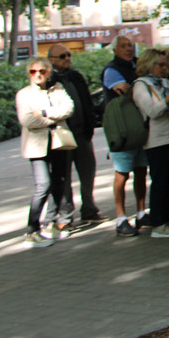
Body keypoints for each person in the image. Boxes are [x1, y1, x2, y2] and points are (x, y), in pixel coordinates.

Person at [15, 58, 76, 247]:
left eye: (42, 71)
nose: (38, 75)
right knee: (43, 185)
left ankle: (51, 222)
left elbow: (69, 108)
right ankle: (32, 229)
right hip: (36, 145)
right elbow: (27, 121)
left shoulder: (56, 89)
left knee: (59, 182)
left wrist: (42, 113)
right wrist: (52, 117)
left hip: (58, 142)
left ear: (49, 72)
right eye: (33, 72)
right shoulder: (24, 94)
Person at [48, 44, 106, 224]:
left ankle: (89, 208)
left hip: (82, 134)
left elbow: (87, 102)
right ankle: (66, 215)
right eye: (62, 56)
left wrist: (89, 126)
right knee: (63, 177)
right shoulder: (48, 79)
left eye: (68, 55)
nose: (67, 59)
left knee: (88, 172)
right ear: (52, 60)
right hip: (62, 136)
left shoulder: (75, 76)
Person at [102, 34, 147, 237]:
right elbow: (126, 91)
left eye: (130, 45)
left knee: (141, 171)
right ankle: (121, 218)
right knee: (122, 174)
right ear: (115, 50)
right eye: (123, 46)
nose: (129, 49)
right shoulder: (112, 70)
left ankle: (141, 212)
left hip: (140, 128)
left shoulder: (137, 66)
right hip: (122, 129)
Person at [132, 48, 169, 238]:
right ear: (149, 64)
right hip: (156, 141)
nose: (164, 68)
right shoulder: (141, 86)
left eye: (165, 64)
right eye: (160, 64)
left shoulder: (164, 83)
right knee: (160, 181)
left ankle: (167, 217)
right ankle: (158, 222)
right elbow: (152, 111)